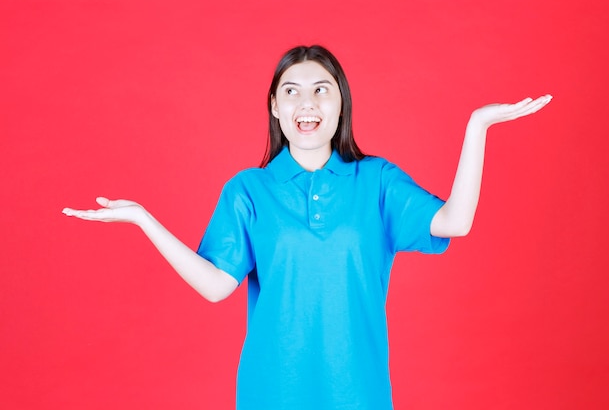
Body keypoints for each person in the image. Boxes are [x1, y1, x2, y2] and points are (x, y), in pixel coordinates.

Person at [63, 45, 552, 409]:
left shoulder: (376, 181)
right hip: (269, 392)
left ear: (341, 104)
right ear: (275, 107)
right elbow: (215, 286)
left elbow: (455, 221)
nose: (307, 104)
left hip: (358, 392)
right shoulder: (248, 190)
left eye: (322, 90)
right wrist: (144, 220)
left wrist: (477, 127)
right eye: (291, 92)